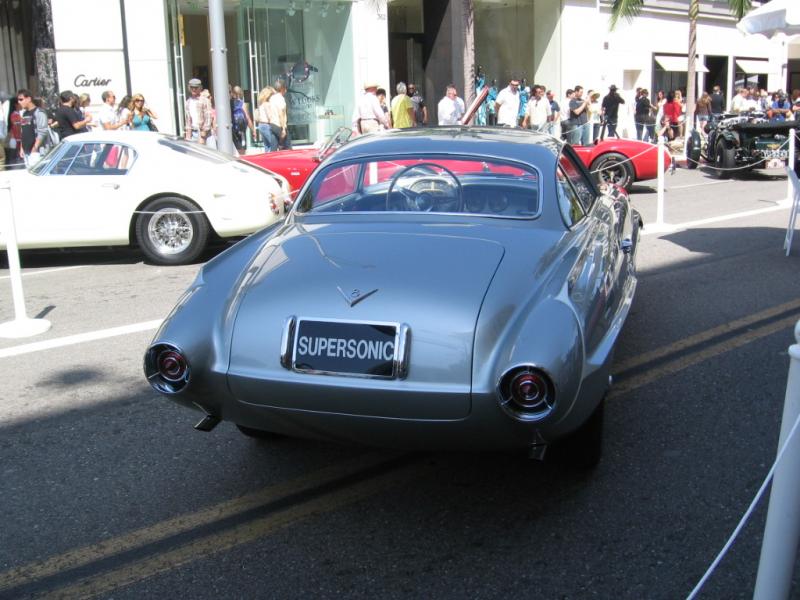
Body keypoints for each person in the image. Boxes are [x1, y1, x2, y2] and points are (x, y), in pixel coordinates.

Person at [17, 89, 50, 164]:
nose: (19, 102)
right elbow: (23, 130)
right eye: (18, 100)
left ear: (29, 99)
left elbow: (42, 131)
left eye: (21, 99)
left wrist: (35, 147)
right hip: (26, 152)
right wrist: (22, 148)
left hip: (37, 151)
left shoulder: (39, 112)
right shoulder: (24, 113)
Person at [184, 78, 212, 144]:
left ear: (200, 88)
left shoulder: (205, 100)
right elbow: (188, 119)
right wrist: (188, 135)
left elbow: (208, 117)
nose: (193, 89)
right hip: (193, 132)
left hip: (203, 133)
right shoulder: (188, 101)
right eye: (192, 87)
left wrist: (203, 134)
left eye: (196, 87)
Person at [230, 85, 253, 155]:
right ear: (241, 94)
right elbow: (247, 117)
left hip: (231, 129)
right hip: (241, 129)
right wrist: (253, 129)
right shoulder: (242, 103)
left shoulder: (228, 103)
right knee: (242, 150)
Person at [256, 86, 279, 152]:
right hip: (266, 125)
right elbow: (269, 116)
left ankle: (267, 158)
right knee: (273, 144)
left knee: (267, 145)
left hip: (261, 125)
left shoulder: (261, 104)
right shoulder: (267, 104)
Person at [271, 79, 291, 149]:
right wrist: (283, 129)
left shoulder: (272, 98)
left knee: (273, 146)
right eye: (285, 88)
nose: (286, 90)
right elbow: (281, 114)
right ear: (282, 89)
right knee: (288, 147)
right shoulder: (280, 98)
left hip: (273, 125)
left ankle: (272, 158)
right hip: (279, 125)